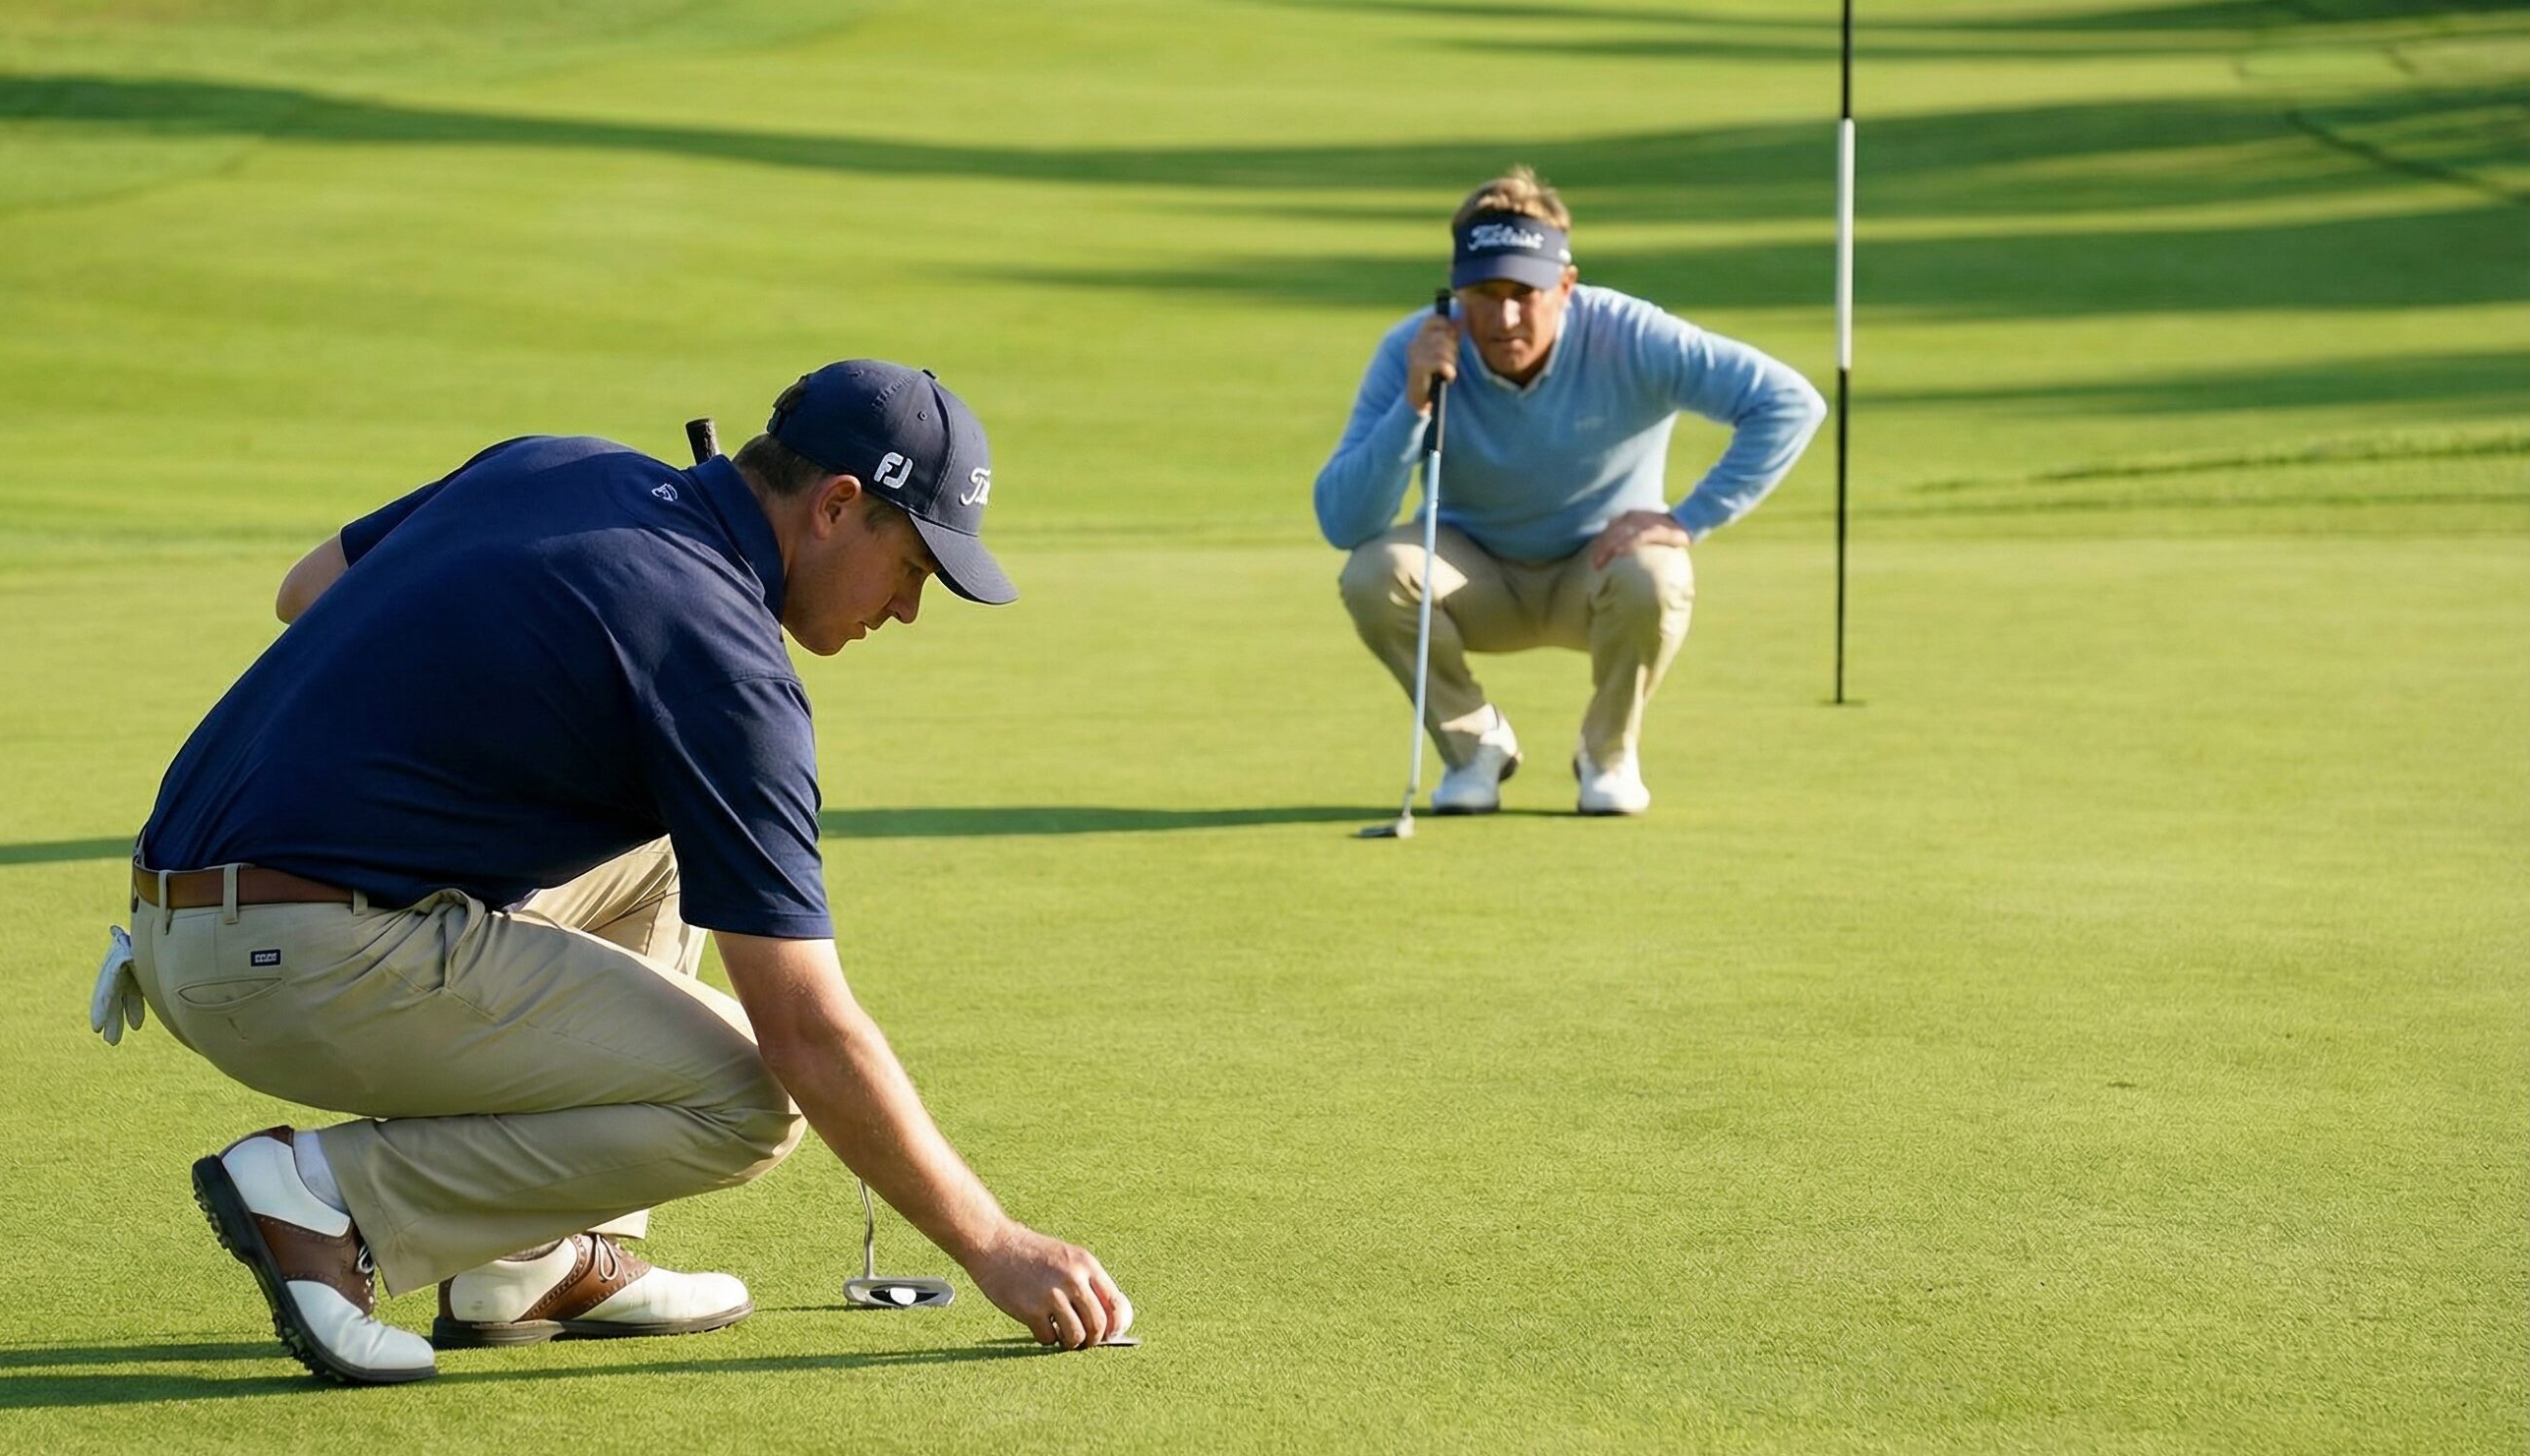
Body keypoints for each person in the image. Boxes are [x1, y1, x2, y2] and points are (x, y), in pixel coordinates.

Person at [94, 360, 1132, 1384]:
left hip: (189, 916)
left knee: (675, 845)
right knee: (751, 1100)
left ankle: (524, 1263)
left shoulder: (555, 463)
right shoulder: (722, 665)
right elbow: (806, 1032)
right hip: (289, 962)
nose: (907, 609)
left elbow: (306, 591)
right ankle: (326, 1198)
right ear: (837, 506)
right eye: (911, 567)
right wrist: (994, 1244)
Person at [1315, 167, 1826, 816]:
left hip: (1599, 576)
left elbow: (1787, 402)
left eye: (1523, 294)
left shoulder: (1632, 335)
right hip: (1476, 577)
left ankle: (1606, 756)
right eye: (1483, 293)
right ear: (1456, 293)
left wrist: (1688, 519)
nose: (1502, 318)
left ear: (1565, 284)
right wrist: (1413, 407)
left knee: (1658, 573)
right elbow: (1344, 521)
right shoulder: (1417, 349)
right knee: (1372, 573)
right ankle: (1475, 749)